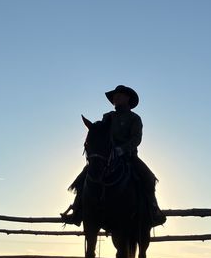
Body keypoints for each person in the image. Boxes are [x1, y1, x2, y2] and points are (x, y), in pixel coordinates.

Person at [62, 85, 167, 227]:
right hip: (107, 156)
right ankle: (77, 211)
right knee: (85, 176)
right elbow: (102, 131)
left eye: (119, 95)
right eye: (114, 96)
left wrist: (122, 149)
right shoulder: (108, 116)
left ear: (127, 98)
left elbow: (136, 138)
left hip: (129, 156)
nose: (115, 98)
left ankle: (153, 211)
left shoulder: (134, 118)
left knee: (149, 177)